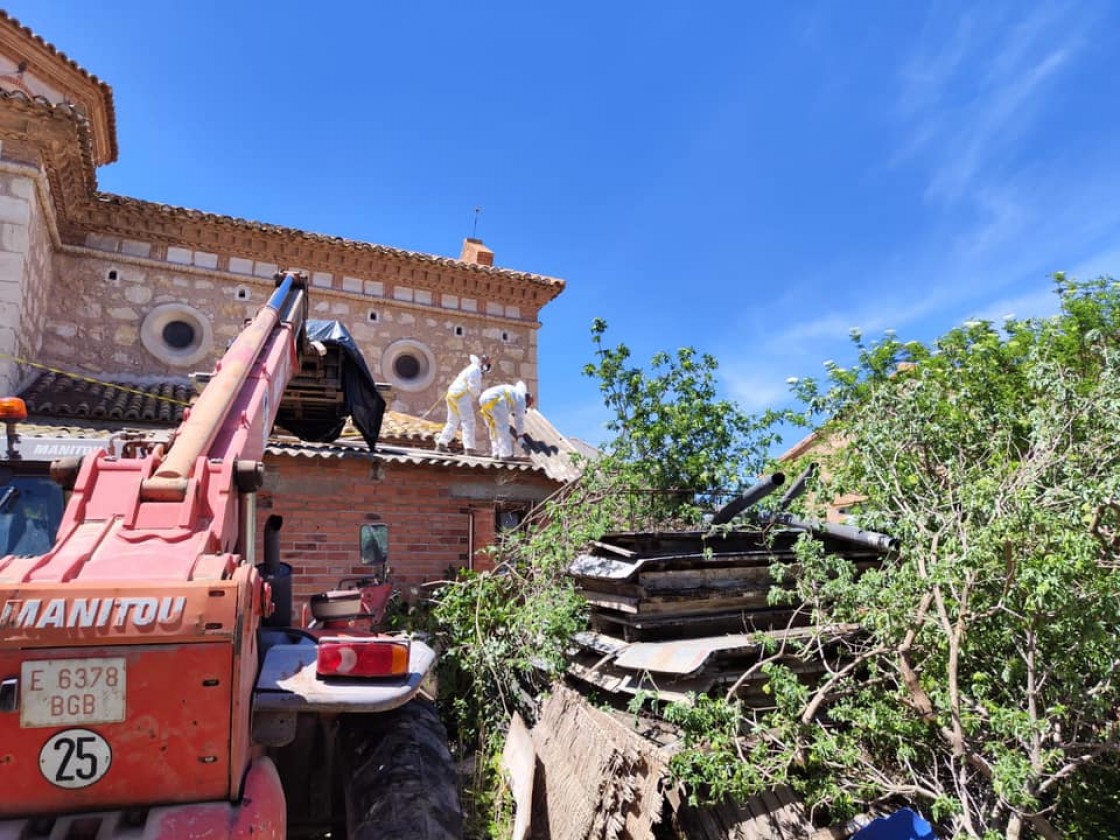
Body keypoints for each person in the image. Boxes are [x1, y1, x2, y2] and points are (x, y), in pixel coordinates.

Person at [435, 353, 491, 454]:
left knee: (452, 421)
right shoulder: (476, 369)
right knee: (468, 421)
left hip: (451, 396)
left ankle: (442, 443)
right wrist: (480, 399)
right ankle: (469, 448)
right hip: (461, 396)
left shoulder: (470, 368)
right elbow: (473, 387)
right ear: (483, 363)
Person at [479, 380, 534, 460]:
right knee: (503, 427)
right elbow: (519, 420)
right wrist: (520, 437)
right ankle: (506, 454)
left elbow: (512, 410)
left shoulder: (514, 393)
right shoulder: (521, 399)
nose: (526, 407)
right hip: (496, 400)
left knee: (493, 428)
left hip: (483, 399)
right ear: (527, 400)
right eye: (528, 405)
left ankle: (496, 453)